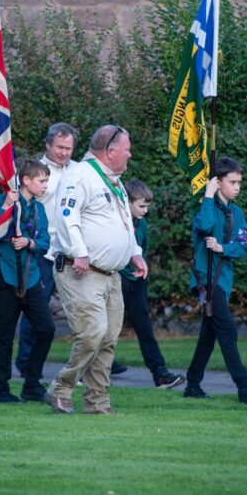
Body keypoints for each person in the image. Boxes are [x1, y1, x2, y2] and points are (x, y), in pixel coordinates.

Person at [45, 125, 146, 415]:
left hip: (110, 274)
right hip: (82, 271)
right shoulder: (80, 175)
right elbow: (66, 215)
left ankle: (97, 402)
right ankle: (61, 388)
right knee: (93, 333)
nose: (130, 154)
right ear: (110, 151)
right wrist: (79, 253)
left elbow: (123, 221)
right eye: (126, 149)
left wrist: (135, 253)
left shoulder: (113, 180)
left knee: (109, 339)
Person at [183, 157, 247, 405]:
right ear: (218, 182)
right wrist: (209, 195)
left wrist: (223, 247)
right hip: (206, 281)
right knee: (227, 330)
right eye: (232, 182)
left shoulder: (238, 213)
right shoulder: (204, 206)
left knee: (209, 335)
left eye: (239, 182)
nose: (237, 187)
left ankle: (192, 384)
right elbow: (205, 225)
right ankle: (244, 387)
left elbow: (243, 246)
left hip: (223, 281)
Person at [0, 161, 56, 403]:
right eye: (42, 181)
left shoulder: (39, 210)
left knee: (46, 329)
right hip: (6, 276)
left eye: (46, 181)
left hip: (32, 277)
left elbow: (45, 242)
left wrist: (30, 243)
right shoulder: (3, 202)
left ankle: (31, 382)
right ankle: (1, 390)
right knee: (4, 334)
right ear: (26, 180)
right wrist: (6, 206)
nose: (45, 185)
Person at [15, 123, 78, 378]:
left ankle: (88, 364)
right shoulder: (36, 174)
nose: (64, 153)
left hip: (72, 251)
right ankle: (26, 365)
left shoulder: (78, 172)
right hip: (43, 252)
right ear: (48, 145)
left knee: (81, 311)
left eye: (68, 148)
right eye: (60, 147)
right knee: (34, 311)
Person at [118, 179, 185, 389]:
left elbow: (142, 250)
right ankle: (89, 370)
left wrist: (140, 270)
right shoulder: (115, 221)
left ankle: (160, 373)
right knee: (105, 328)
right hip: (116, 278)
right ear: (126, 202)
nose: (145, 211)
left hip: (136, 280)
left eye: (147, 206)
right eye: (141, 206)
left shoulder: (143, 224)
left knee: (144, 327)